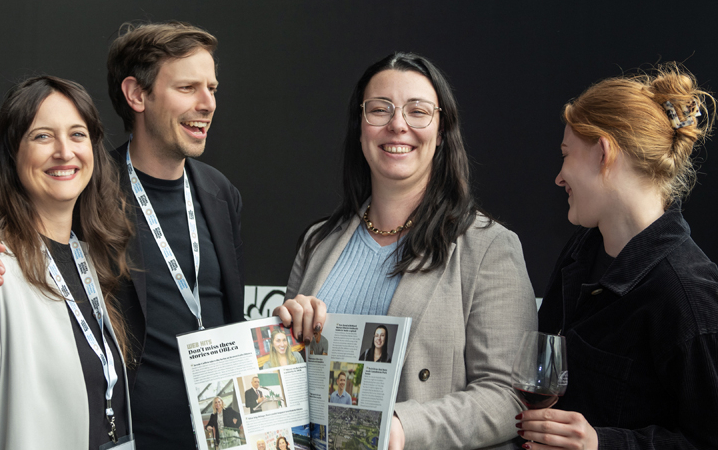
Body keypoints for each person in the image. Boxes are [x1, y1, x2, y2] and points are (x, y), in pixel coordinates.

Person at [0, 22, 246, 450]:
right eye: (188, 87)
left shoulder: (220, 193)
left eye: (212, 88)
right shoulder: (87, 192)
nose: (207, 103)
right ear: (136, 95)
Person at [276, 52, 537, 449]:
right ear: (360, 127)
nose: (398, 125)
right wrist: (287, 338)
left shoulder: (489, 247)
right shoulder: (318, 241)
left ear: (442, 128)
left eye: (418, 111)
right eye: (380, 109)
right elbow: (292, 378)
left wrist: (399, 427)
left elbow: (508, 395)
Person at [517, 65, 718, 449]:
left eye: (566, 155)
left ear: (603, 153)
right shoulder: (580, 252)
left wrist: (601, 444)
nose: (559, 177)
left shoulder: (690, 298)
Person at [0, 76, 135, 449]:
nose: (64, 151)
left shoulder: (88, 262)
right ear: (13, 154)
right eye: (43, 136)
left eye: (77, 134)